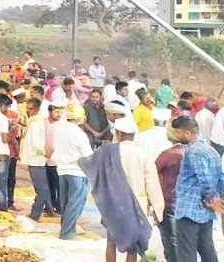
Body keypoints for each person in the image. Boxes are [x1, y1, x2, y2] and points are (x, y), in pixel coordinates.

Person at [82, 118, 164, 262]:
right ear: (134, 135)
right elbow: (152, 184)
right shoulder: (143, 155)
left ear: (118, 134)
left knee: (111, 243)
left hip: (112, 204)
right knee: (132, 247)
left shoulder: (107, 152)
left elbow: (93, 169)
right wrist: (158, 209)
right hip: (136, 207)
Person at [174, 117, 224, 262]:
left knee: (187, 253)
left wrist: (210, 198)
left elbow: (204, 175)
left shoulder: (193, 150)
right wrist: (214, 197)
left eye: (178, 133)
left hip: (189, 210)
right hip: (206, 212)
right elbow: (220, 178)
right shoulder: (212, 151)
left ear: (188, 133)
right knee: (207, 251)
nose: (176, 137)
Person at [51, 104, 93, 240]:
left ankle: (67, 229)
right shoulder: (79, 134)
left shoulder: (59, 130)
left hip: (62, 171)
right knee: (75, 205)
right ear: (80, 118)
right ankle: (67, 233)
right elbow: (88, 156)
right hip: (77, 172)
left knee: (66, 203)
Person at [155, 117, 189, 262]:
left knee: (171, 242)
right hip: (190, 205)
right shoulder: (193, 153)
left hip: (170, 203)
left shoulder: (167, 155)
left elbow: (152, 175)